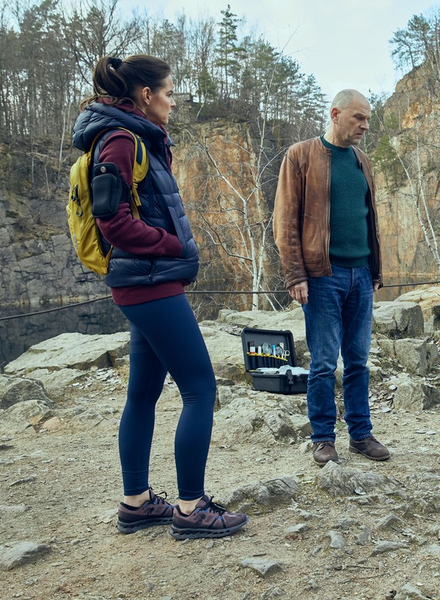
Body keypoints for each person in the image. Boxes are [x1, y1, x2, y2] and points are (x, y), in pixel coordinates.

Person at [73, 55, 247, 539]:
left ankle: (136, 502)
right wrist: (171, 246)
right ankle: (191, 509)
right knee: (200, 388)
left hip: (143, 283)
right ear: (146, 95)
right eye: (169, 92)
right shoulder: (121, 139)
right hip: (149, 283)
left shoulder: (133, 136)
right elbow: (113, 221)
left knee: (144, 394)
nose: (173, 100)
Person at [273, 89, 389, 467]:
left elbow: (369, 219)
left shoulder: (362, 160)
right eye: (358, 118)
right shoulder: (301, 155)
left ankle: (360, 434)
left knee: (358, 361)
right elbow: (285, 222)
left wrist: (375, 270)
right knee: (324, 363)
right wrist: (295, 275)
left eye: (368, 118)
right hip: (322, 276)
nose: (365, 126)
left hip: (361, 274)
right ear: (336, 114)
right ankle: (323, 438)